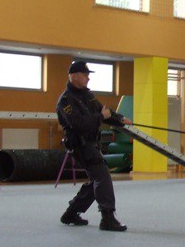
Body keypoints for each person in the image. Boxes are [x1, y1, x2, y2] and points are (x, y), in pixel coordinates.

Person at [56, 61, 132, 231]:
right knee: (102, 176)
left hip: (91, 144)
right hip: (80, 145)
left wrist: (119, 118)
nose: (88, 78)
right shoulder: (66, 101)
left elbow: (103, 111)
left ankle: (71, 213)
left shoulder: (87, 96)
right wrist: (101, 116)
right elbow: (80, 124)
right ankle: (107, 217)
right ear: (74, 76)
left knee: (96, 180)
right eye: (85, 75)